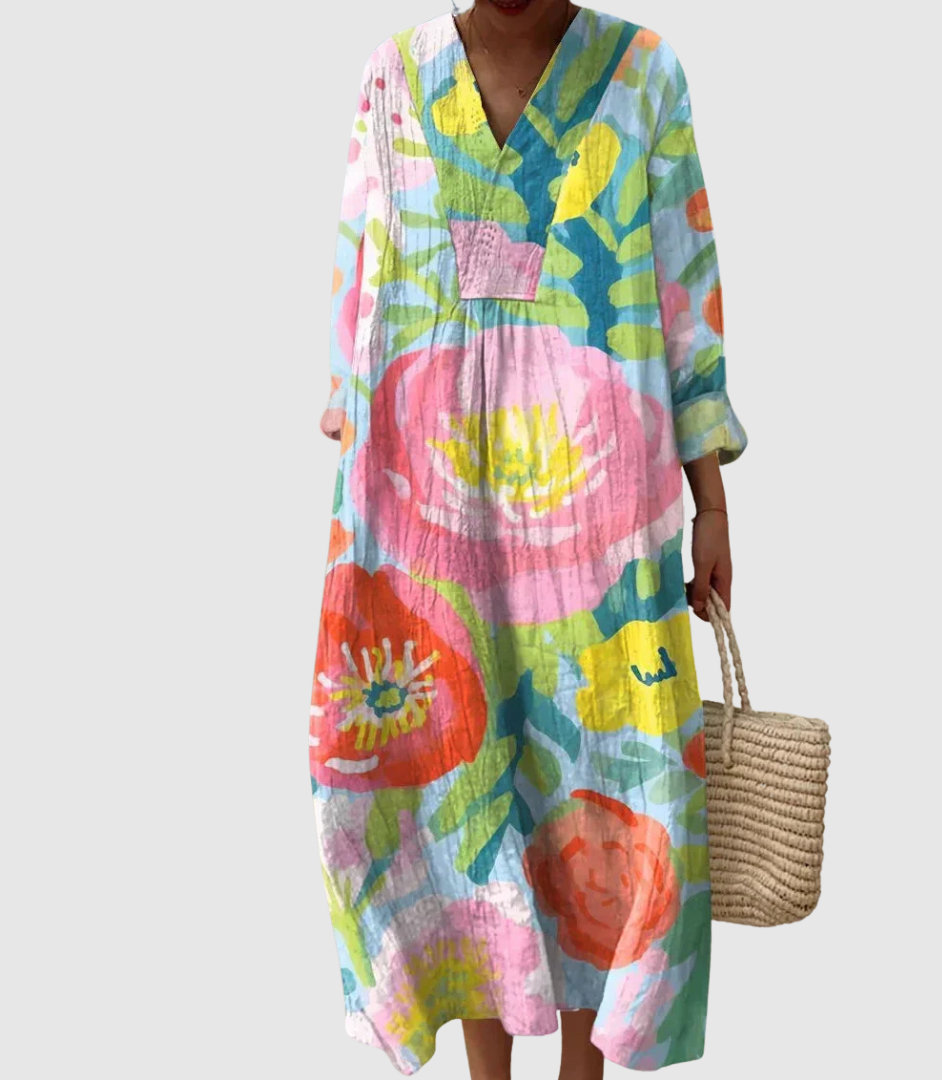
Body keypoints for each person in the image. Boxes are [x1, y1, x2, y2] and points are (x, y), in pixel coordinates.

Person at [309, 2, 748, 1077]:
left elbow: (684, 296)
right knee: (452, 785)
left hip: (603, 524)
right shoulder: (394, 80)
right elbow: (360, 306)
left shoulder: (643, 77)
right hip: (426, 513)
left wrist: (713, 505)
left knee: (601, 784)